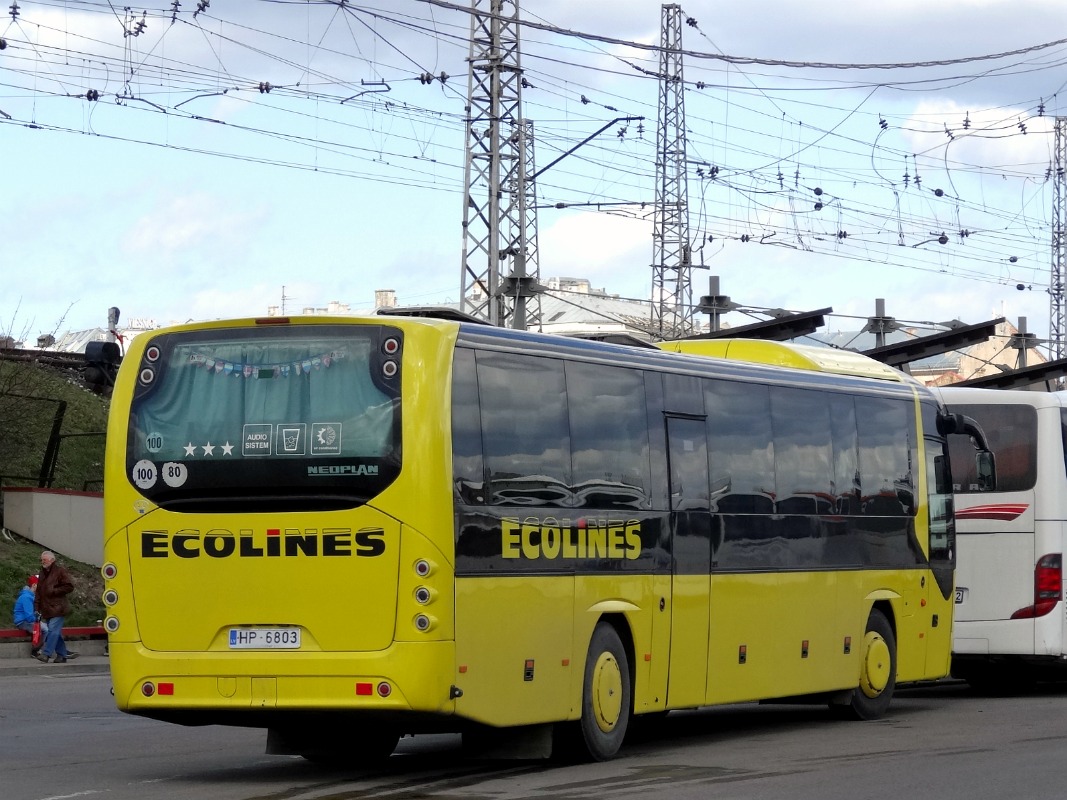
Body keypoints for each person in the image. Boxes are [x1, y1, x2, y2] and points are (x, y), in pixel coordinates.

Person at [34, 550, 79, 664]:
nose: (42, 561)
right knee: (55, 633)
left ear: (52, 560)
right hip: (47, 609)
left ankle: (46, 653)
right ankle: (62, 655)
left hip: (58, 607)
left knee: (52, 631)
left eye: (44, 559)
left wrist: (54, 591)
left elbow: (69, 586)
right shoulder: (42, 573)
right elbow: (38, 592)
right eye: (42, 559)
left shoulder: (59, 571)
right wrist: (36, 608)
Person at [12, 574, 45, 658]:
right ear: (34, 585)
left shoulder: (31, 596)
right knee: (45, 629)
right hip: (23, 622)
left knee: (48, 627)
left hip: (26, 620)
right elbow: (29, 617)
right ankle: (35, 650)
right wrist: (38, 619)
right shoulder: (26, 597)